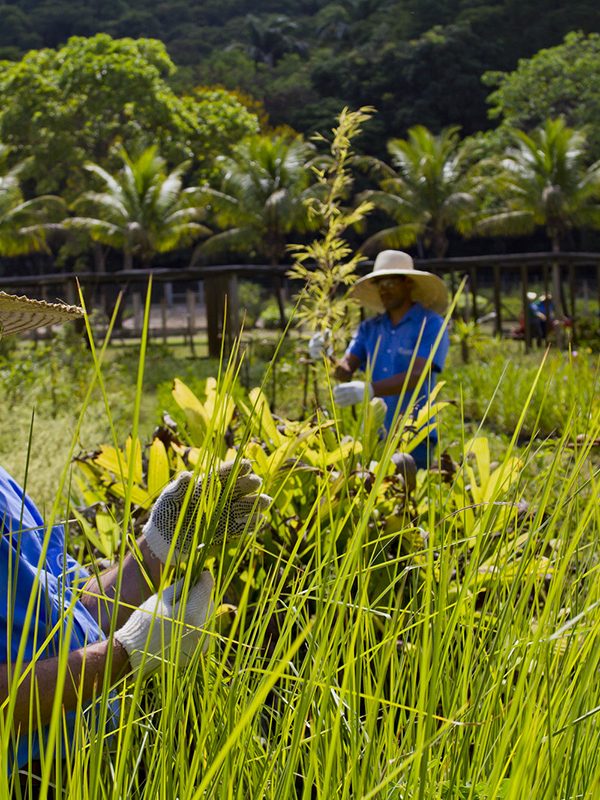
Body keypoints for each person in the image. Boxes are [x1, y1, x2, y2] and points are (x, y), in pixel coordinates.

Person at [0, 291, 269, 779]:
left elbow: (65, 610)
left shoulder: (3, 485)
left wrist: (157, 551)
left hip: (79, 753)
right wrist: (128, 651)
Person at [309, 251, 450, 468]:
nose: (383, 290)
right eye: (379, 284)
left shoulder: (431, 325)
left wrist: (370, 389)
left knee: (409, 497)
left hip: (414, 432)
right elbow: (345, 370)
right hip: (376, 431)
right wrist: (324, 354)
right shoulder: (369, 329)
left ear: (408, 283)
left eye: (390, 282)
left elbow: (418, 375)